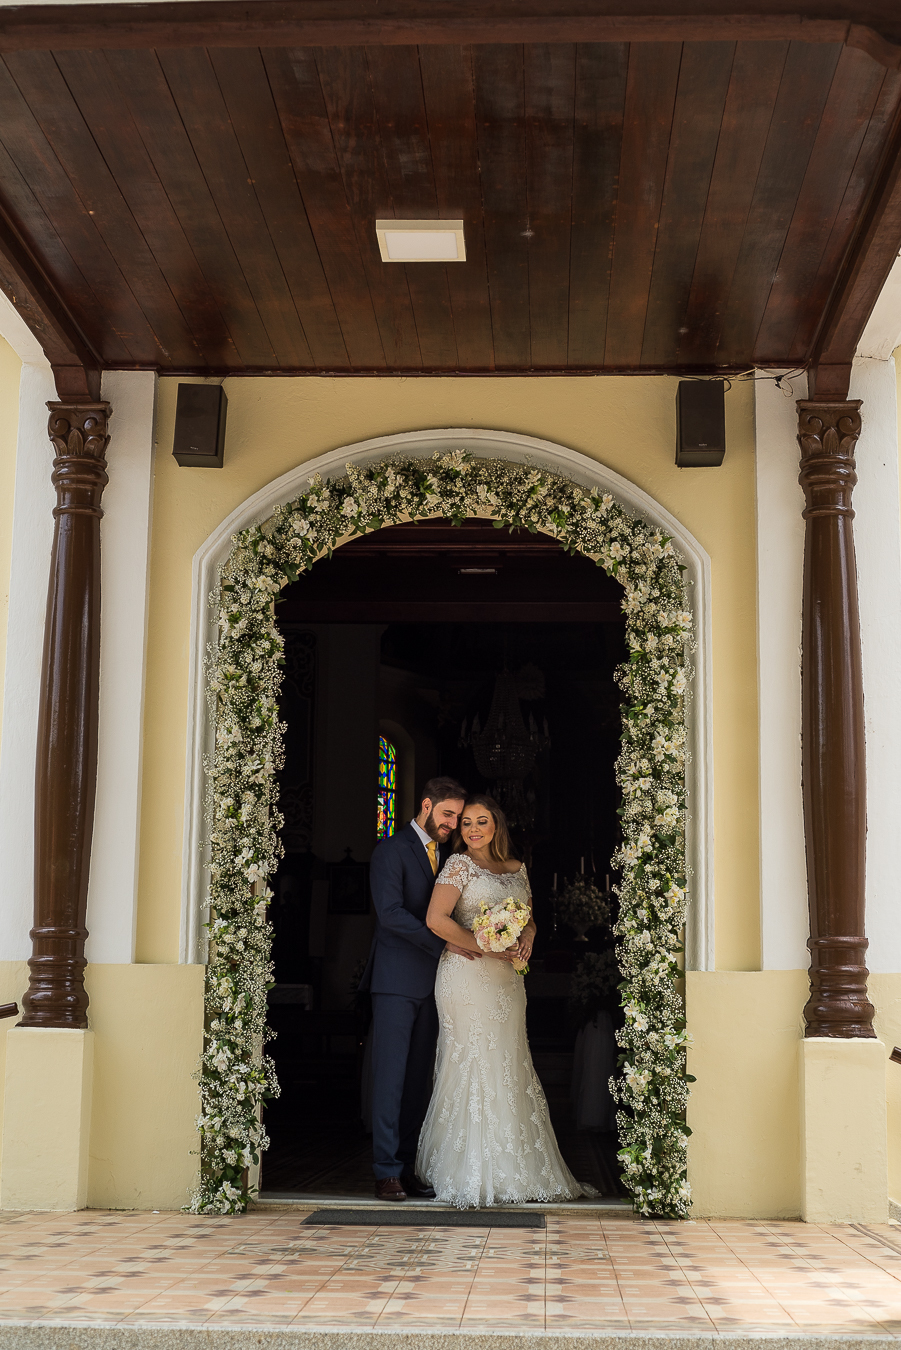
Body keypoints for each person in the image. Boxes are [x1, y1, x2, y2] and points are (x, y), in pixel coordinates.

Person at [418, 793, 596, 1208]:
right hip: (466, 975)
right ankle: (465, 1170)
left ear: (497, 825)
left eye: (482, 821)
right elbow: (435, 919)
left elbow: (528, 917)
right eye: (466, 823)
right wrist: (486, 947)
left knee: (509, 1061)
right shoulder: (458, 866)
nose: (473, 829)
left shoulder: (518, 869)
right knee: (471, 1061)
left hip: (507, 981)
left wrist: (528, 936)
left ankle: (513, 1168)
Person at [361, 775, 471, 1201]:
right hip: (395, 981)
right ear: (426, 806)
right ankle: (385, 1170)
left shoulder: (448, 856)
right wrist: (446, 940)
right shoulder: (390, 851)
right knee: (390, 1078)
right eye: (448, 814)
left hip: (436, 984)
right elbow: (389, 914)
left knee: (417, 1080)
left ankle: (406, 1168)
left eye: (458, 817)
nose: (453, 823)